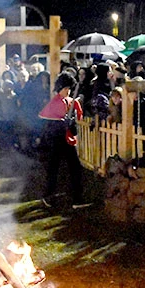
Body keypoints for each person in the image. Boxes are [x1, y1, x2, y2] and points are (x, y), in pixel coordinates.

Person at [39, 72, 89, 209]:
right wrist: (62, 123)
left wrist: (71, 122)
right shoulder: (55, 103)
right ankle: (49, 196)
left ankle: (77, 198)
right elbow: (49, 122)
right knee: (54, 169)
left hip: (67, 139)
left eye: (69, 89)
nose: (68, 91)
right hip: (57, 140)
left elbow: (77, 116)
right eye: (66, 88)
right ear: (60, 88)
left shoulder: (70, 101)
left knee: (74, 168)